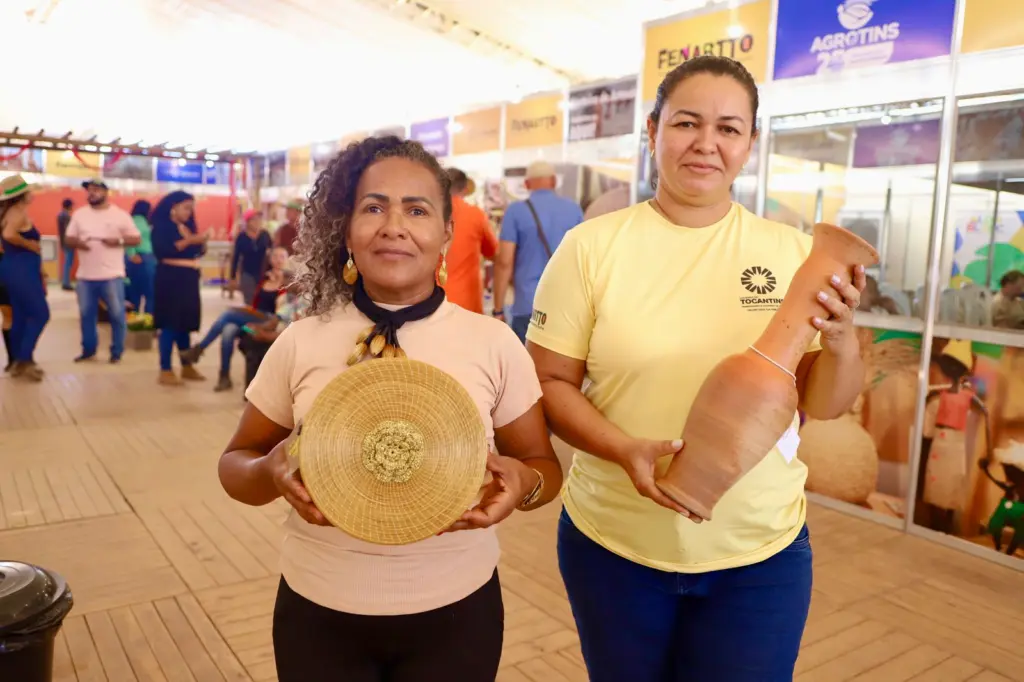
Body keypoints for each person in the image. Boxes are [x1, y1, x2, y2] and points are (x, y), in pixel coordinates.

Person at [525, 55, 867, 682]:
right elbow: (547, 383)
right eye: (686, 123)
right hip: (615, 543)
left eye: (729, 129)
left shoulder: (794, 254)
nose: (706, 144)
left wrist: (843, 341)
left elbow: (824, 404)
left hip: (759, 553)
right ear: (653, 132)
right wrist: (623, 447)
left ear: (751, 145)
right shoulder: (592, 248)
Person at [217, 135, 562, 682]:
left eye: (417, 210)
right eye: (373, 207)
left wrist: (523, 485)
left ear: (448, 231)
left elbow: (545, 470)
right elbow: (236, 465)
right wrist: (267, 471)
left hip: (458, 609)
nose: (393, 226)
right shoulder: (300, 342)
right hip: (317, 608)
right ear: (346, 228)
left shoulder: (493, 344)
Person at [492, 160, 583, 341]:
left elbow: (504, 262)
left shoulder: (515, 212)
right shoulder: (574, 210)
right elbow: (584, 258)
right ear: (554, 182)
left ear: (526, 184)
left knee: (526, 366)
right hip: (566, 306)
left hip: (529, 305)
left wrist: (498, 309)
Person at [181, 246, 291, 392]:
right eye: (275, 257)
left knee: (228, 315)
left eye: (282, 257)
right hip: (255, 317)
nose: (278, 260)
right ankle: (224, 376)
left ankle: (199, 349)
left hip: (272, 321)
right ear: (270, 259)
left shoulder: (290, 280)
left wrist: (281, 282)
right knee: (228, 329)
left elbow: (285, 308)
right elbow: (255, 303)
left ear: (287, 259)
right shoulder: (264, 278)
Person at [63, 179, 141, 364]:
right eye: (89, 190)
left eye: (96, 189)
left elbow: (136, 239)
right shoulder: (80, 215)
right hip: (85, 276)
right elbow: (69, 239)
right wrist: (78, 243)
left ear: (106, 192)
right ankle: (88, 350)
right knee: (86, 315)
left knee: (116, 314)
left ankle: (116, 351)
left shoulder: (119, 215)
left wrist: (118, 242)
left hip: (112, 275)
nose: (91, 193)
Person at [151, 190, 209, 386]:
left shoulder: (186, 227)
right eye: (185, 208)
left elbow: (194, 251)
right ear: (173, 207)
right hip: (170, 279)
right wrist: (191, 241)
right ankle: (165, 368)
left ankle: (186, 365)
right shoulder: (161, 228)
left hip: (188, 279)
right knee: (170, 323)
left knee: (185, 324)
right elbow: (163, 250)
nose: (188, 212)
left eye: (191, 209)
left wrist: (201, 243)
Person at [0, 175, 49, 381]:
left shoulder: (7, 212)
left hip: (13, 268)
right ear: (21, 195)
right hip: (22, 270)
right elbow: (10, 235)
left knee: (20, 315)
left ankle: (18, 362)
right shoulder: (17, 213)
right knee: (40, 314)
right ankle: (24, 359)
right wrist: (30, 245)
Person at [441, 168, 497, 314]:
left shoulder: (426, 213)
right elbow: (493, 253)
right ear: (465, 190)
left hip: (428, 302)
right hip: (466, 303)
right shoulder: (475, 215)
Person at [231, 209, 272, 304]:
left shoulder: (265, 235)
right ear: (248, 222)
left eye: (259, 219)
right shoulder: (241, 237)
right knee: (249, 301)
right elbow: (236, 257)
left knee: (262, 300)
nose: (257, 222)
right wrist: (232, 277)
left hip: (263, 273)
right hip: (247, 273)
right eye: (254, 220)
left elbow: (272, 252)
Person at [124, 199, 156, 315]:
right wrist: (132, 254)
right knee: (149, 291)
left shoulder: (140, 221)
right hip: (142, 257)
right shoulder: (137, 221)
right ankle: (148, 319)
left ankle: (135, 317)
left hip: (143, 258)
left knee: (136, 291)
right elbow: (130, 237)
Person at [57, 198, 74, 291]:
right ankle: (66, 283)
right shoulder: (66, 216)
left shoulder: (60, 215)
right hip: (68, 242)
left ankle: (66, 282)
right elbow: (69, 230)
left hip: (63, 242)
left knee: (67, 262)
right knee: (68, 262)